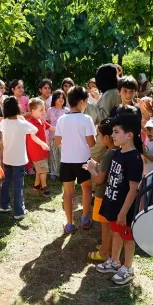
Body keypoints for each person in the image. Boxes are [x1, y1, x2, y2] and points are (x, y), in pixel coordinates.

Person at [93, 114, 143, 285]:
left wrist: (123, 212)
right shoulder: (117, 153)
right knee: (116, 233)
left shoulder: (134, 159)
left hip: (125, 210)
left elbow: (133, 189)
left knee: (128, 238)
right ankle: (114, 261)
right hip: (114, 204)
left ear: (129, 135)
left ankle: (128, 268)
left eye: (116, 132)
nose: (112, 135)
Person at [55, 86, 97, 233]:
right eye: (86, 102)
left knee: (68, 193)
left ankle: (69, 224)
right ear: (81, 102)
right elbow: (91, 143)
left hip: (66, 161)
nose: (86, 105)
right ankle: (85, 218)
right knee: (86, 188)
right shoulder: (86, 119)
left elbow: (57, 141)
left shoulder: (62, 119)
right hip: (83, 160)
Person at [0, 97, 38, 219]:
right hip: (19, 159)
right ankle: (19, 211)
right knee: (18, 185)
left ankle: (4, 205)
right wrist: (21, 118)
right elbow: (34, 129)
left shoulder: (4, 123)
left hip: (7, 158)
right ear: (18, 107)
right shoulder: (22, 123)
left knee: (7, 182)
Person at [84, 118, 116, 262]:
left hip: (103, 194)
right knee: (109, 224)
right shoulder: (118, 151)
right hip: (112, 194)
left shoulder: (109, 154)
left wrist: (91, 169)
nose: (97, 138)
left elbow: (99, 179)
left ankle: (104, 252)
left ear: (107, 138)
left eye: (98, 135)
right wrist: (98, 166)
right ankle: (107, 247)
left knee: (105, 225)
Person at [26, 98, 53, 197]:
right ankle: (44, 187)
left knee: (39, 168)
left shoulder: (41, 120)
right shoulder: (31, 123)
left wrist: (61, 129)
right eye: (41, 110)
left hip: (42, 150)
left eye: (44, 109)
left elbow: (50, 127)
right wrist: (43, 144)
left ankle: (36, 185)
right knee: (43, 169)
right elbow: (33, 136)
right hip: (37, 151)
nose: (44, 111)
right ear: (33, 111)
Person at [45, 90, 69, 180]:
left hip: (64, 137)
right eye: (59, 97)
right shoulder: (50, 110)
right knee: (54, 155)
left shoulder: (67, 110)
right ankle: (54, 172)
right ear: (54, 99)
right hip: (53, 136)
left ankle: (63, 172)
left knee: (63, 155)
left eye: (63, 97)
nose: (61, 99)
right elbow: (47, 122)